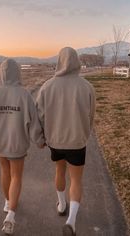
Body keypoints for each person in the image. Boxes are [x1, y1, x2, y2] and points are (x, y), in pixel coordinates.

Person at [0, 58, 45, 235]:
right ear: (18, 72)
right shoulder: (24, 94)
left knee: (4, 172)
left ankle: (8, 202)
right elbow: (34, 122)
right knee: (16, 176)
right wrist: (39, 140)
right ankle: (11, 216)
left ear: (1, 73)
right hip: (17, 144)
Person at [36, 47, 96, 236]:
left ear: (59, 62)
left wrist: (41, 138)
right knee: (76, 180)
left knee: (59, 171)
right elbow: (91, 116)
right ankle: (71, 221)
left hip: (55, 141)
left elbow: (39, 116)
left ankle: (61, 205)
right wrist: (85, 134)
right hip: (77, 141)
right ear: (76, 62)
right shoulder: (86, 86)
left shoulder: (47, 86)